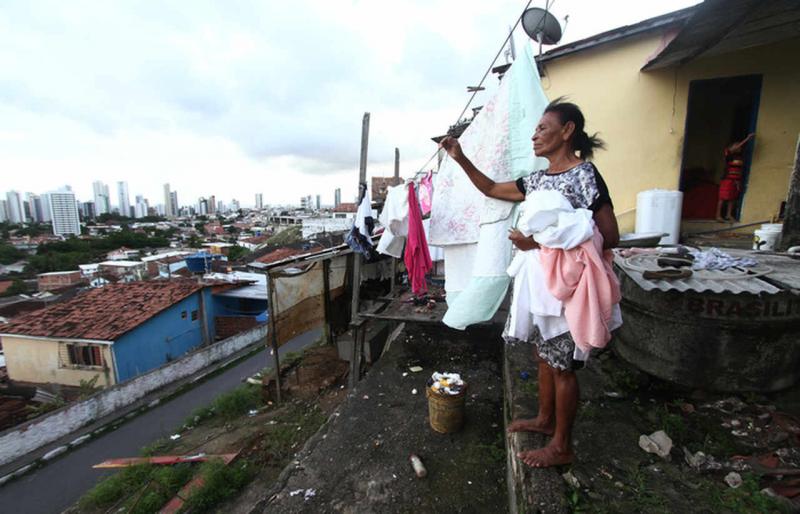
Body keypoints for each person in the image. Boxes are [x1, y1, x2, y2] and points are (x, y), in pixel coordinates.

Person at [439, 99, 619, 468]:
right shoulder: (537, 181)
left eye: (542, 128)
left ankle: (561, 445)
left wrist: (537, 243)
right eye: (535, 129)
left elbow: (609, 235)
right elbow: (490, 187)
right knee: (543, 355)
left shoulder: (585, 176)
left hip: (570, 285)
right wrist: (459, 156)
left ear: (567, 131)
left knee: (563, 366)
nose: (534, 135)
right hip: (540, 286)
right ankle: (543, 419)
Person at [717, 133, 755, 221]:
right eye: (737, 146)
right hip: (727, 180)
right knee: (723, 198)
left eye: (739, 146)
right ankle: (718, 215)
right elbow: (733, 149)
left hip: (736, 180)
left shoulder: (739, 157)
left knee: (732, 198)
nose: (739, 147)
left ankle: (728, 215)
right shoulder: (729, 154)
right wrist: (747, 139)